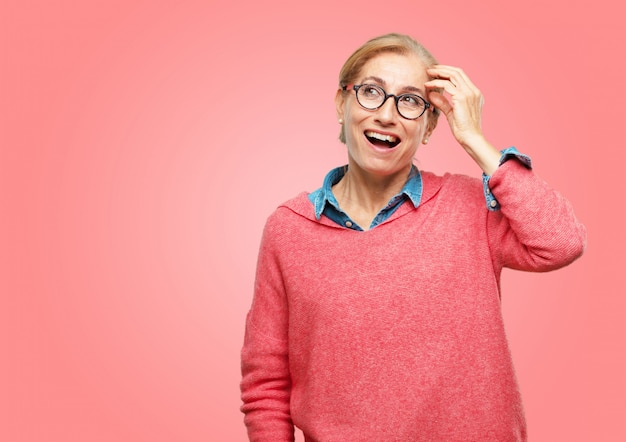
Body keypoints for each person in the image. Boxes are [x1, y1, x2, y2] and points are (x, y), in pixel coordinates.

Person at [240, 33, 586, 441]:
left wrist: (474, 139)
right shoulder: (289, 229)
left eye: (410, 102)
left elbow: (561, 242)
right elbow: (266, 384)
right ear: (341, 104)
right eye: (371, 92)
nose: (387, 115)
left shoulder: (471, 207)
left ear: (428, 127)